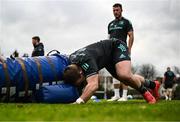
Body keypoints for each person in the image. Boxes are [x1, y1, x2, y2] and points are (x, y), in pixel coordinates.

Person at [63, 39, 160, 104]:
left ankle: (145, 92)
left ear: (80, 73)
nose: (82, 84)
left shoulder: (86, 61)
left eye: (81, 81)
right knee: (127, 78)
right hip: (106, 58)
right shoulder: (72, 60)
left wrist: (79, 101)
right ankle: (153, 85)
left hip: (116, 47)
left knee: (124, 75)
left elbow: (93, 85)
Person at [107, 3, 134, 102]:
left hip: (122, 49)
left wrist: (129, 48)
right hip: (112, 51)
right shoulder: (110, 24)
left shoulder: (126, 22)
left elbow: (131, 36)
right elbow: (108, 39)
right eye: (114, 10)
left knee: (124, 73)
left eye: (117, 10)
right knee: (115, 73)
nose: (115, 12)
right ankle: (117, 95)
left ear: (121, 10)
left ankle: (125, 96)